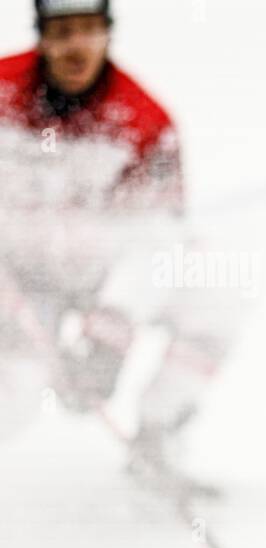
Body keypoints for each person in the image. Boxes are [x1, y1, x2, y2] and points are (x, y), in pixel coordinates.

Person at [0, 0, 237, 486]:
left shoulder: (144, 120)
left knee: (219, 299)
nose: (76, 45)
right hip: (16, 281)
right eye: (62, 31)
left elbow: (162, 237)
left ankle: (157, 438)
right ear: (42, 37)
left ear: (108, 34)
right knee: (17, 397)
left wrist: (110, 336)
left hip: (101, 279)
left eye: (88, 30)